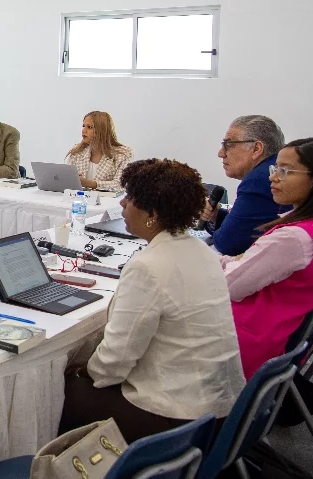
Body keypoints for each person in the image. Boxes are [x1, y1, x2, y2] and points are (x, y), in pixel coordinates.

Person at [59, 159, 245, 443]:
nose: (122, 203)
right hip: (220, 407)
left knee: (57, 392)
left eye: (130, 197)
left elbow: (116, 359)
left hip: (176, 417)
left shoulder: (148, 266)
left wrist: (84, 370)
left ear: (153, 214)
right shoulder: (202, 251)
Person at [222, 138, 313, 380]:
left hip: (245, 343)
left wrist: (203, 263)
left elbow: (229, 285)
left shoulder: (293, 238)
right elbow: (245, 265)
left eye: (285, 171)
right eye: (275, 168)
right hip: (278, 336)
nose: (273, 177)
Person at [201, 115, 289, 256]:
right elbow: (248, 228)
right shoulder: (272, 169)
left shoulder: (258, 179)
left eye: (228, 144)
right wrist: (216, 216)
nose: (221, 153)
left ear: (256, 149)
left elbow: (227, 243)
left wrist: (221, 232)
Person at [65, 111, 132, 191]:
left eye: (89, 127)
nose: (84, 130)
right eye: (83, 126)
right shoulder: (77, 152)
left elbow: (120, 184)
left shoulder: (123, 154)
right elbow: (67, 181)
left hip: (106, 199)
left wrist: (88, 183)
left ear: (102, 131)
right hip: (78, 198)